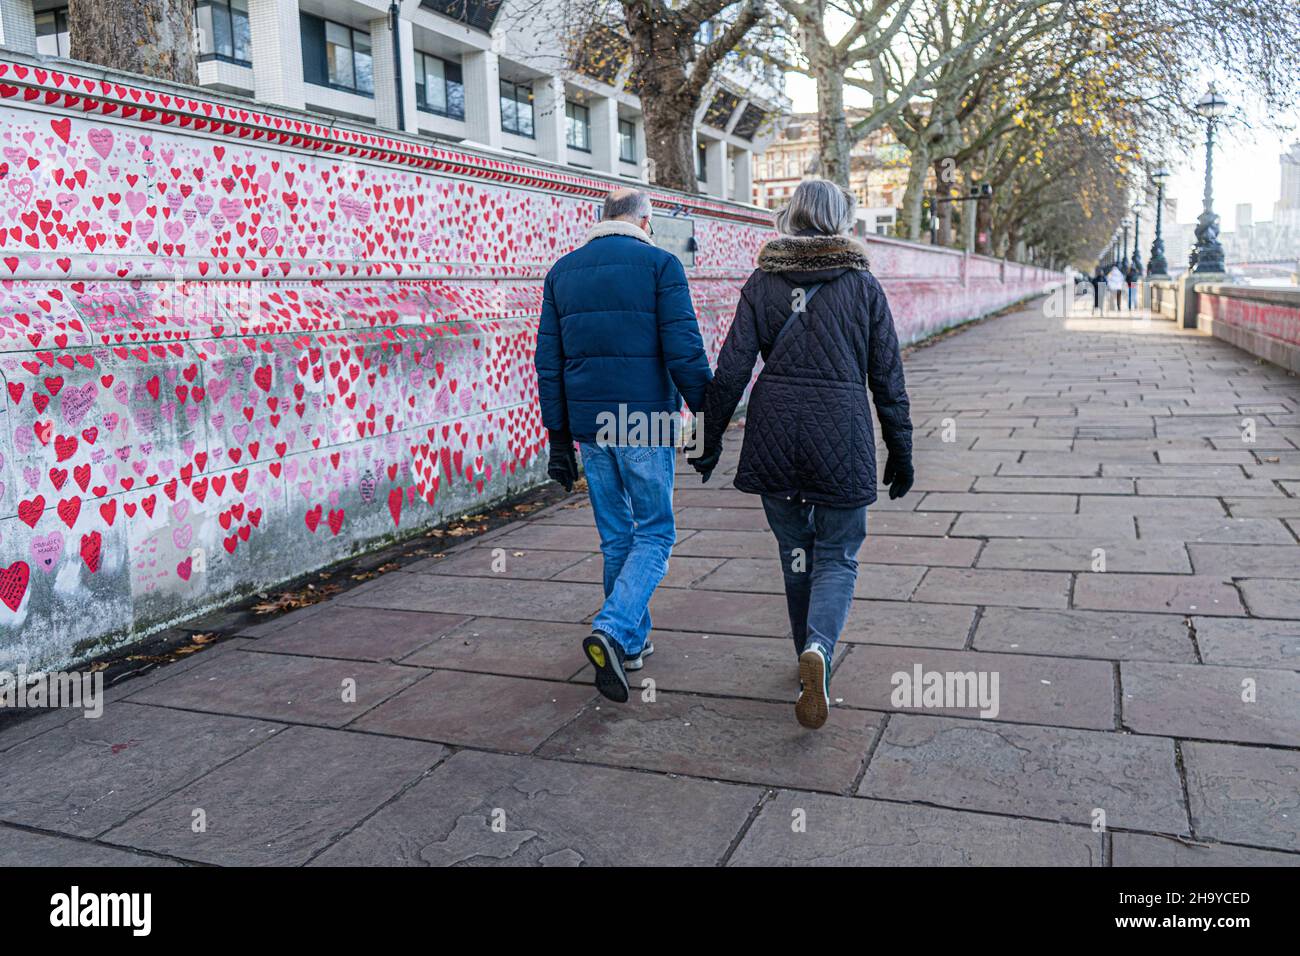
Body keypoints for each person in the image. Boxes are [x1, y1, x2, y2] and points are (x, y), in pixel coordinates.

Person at [692, 180, 913, 730]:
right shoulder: (863, 288)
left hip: (776, 434)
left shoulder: (761, 283)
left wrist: (709, 438)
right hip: (842, 430)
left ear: (789, 216)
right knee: (838, 555)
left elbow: (733, 370)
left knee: (797, 555)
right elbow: (887, 378)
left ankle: (804, 662)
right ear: (843, 219)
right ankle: (819, 649)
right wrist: (900, 447)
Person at [535, 188, 712, 703]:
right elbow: (684, 347)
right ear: (644, 219)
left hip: (590, 425)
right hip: (643, 421)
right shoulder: (661, 265)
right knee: (655, 533)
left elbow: (550, 363)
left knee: (617, 537)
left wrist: (558, 439)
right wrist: (707, 419)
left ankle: (630, 645)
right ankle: (611, 629)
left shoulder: (562, 272)